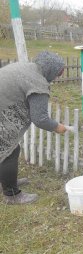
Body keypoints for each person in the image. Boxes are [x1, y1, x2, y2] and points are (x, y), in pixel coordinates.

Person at [0, 51, 68, 205]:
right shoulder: (37, 83)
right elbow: (40, 119)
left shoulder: (26, 67)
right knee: (9, 151)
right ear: (50, 70)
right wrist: (58, 127)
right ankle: (12, 195)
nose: (58, 77)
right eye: (58, 73)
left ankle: (5, 181)